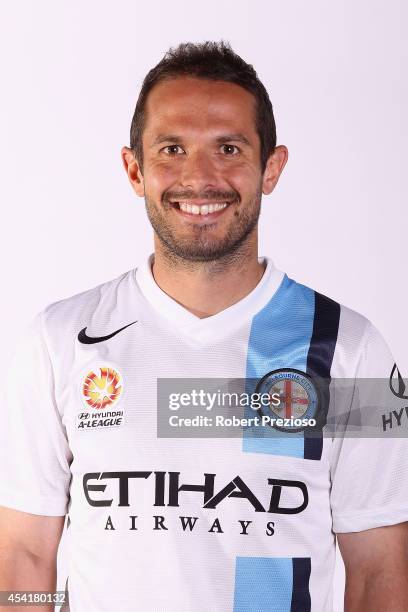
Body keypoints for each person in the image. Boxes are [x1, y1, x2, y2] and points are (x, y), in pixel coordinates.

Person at [0, 40, 407, 612]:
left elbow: (380, 569)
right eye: (172, 149)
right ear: (134, 170)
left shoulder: (353, 350)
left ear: (272, 168)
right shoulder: (58, 341)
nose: (200, 177)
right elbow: (23, 559)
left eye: (229, 148)